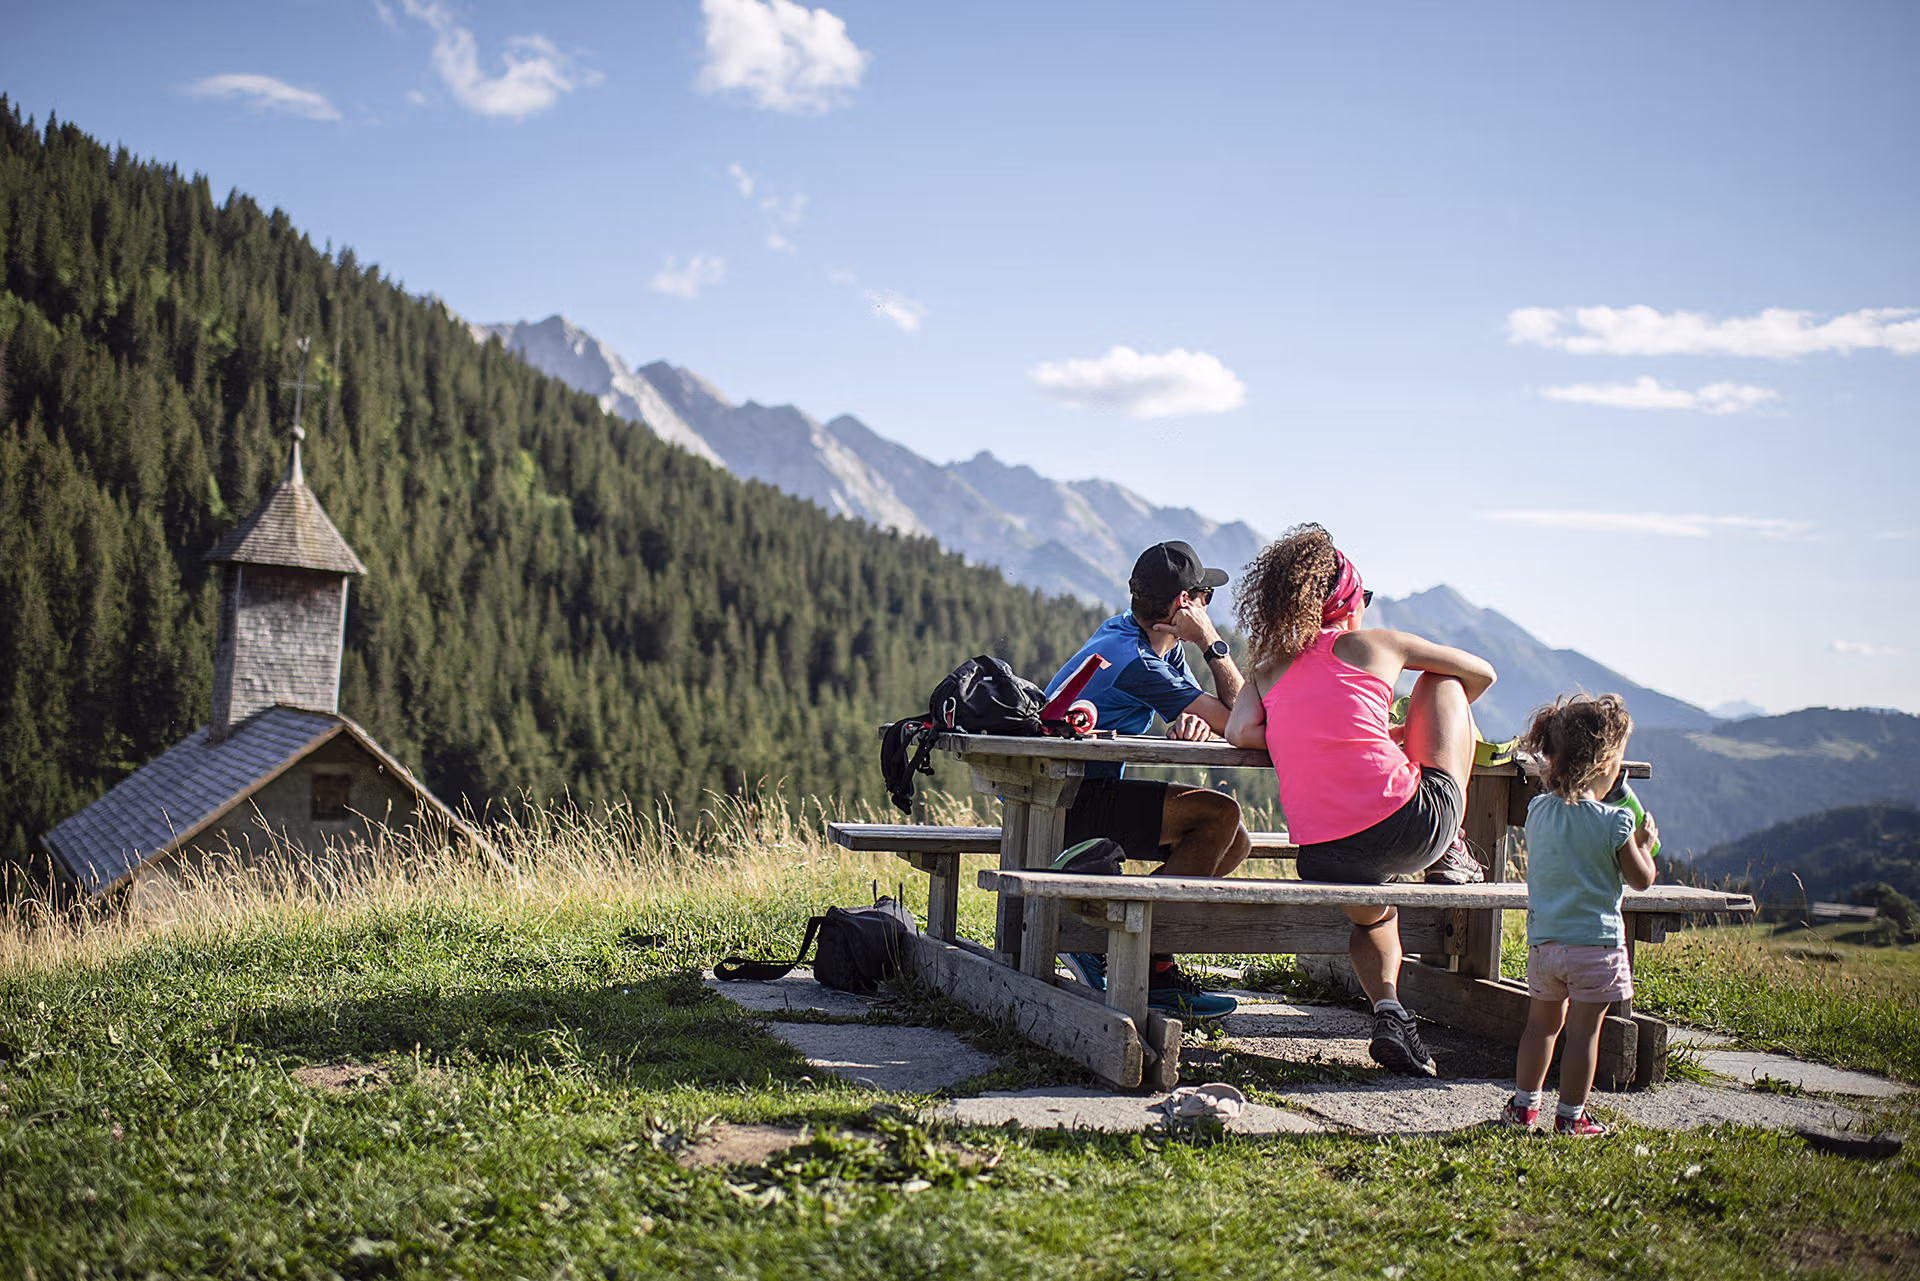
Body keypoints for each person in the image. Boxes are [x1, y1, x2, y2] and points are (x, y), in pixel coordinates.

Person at [1224, 523, 1495, 1075]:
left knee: (1373, 921)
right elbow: (1480, 675)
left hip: (1322, 854)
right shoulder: (1380, 644)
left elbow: (1239, 732)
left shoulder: (1266, 666)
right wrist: (1405, 731)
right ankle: (1452, 849)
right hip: (1409, 824)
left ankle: (1392, 1013)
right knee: (1439, 683)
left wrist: (1309, 730)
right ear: (1348, 601)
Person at [1042, 540, 1252, 1020]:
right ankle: (1143, 966)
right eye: (1203, 598)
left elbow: (1203, 711)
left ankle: (1111, 943)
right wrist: (1211, 641)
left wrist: (1189, 717)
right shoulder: (1135, 657)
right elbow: (1241, 720)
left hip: (1071, 794)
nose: (1205, 607)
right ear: (1185, 606)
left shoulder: (1132, 635)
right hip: (1071, 802)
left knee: (1234, 840)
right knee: (1220, 816)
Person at [1500, 694, 1659, 1136]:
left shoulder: (1537, 811)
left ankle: (1523, 1108)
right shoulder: (1615, 823)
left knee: (1541, 1027)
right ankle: (1570, 1117)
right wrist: (1644, 845)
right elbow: (1640, 879)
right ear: (1606, 761)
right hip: (1596, 948)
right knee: (1584, 1032)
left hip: (1545, 944)